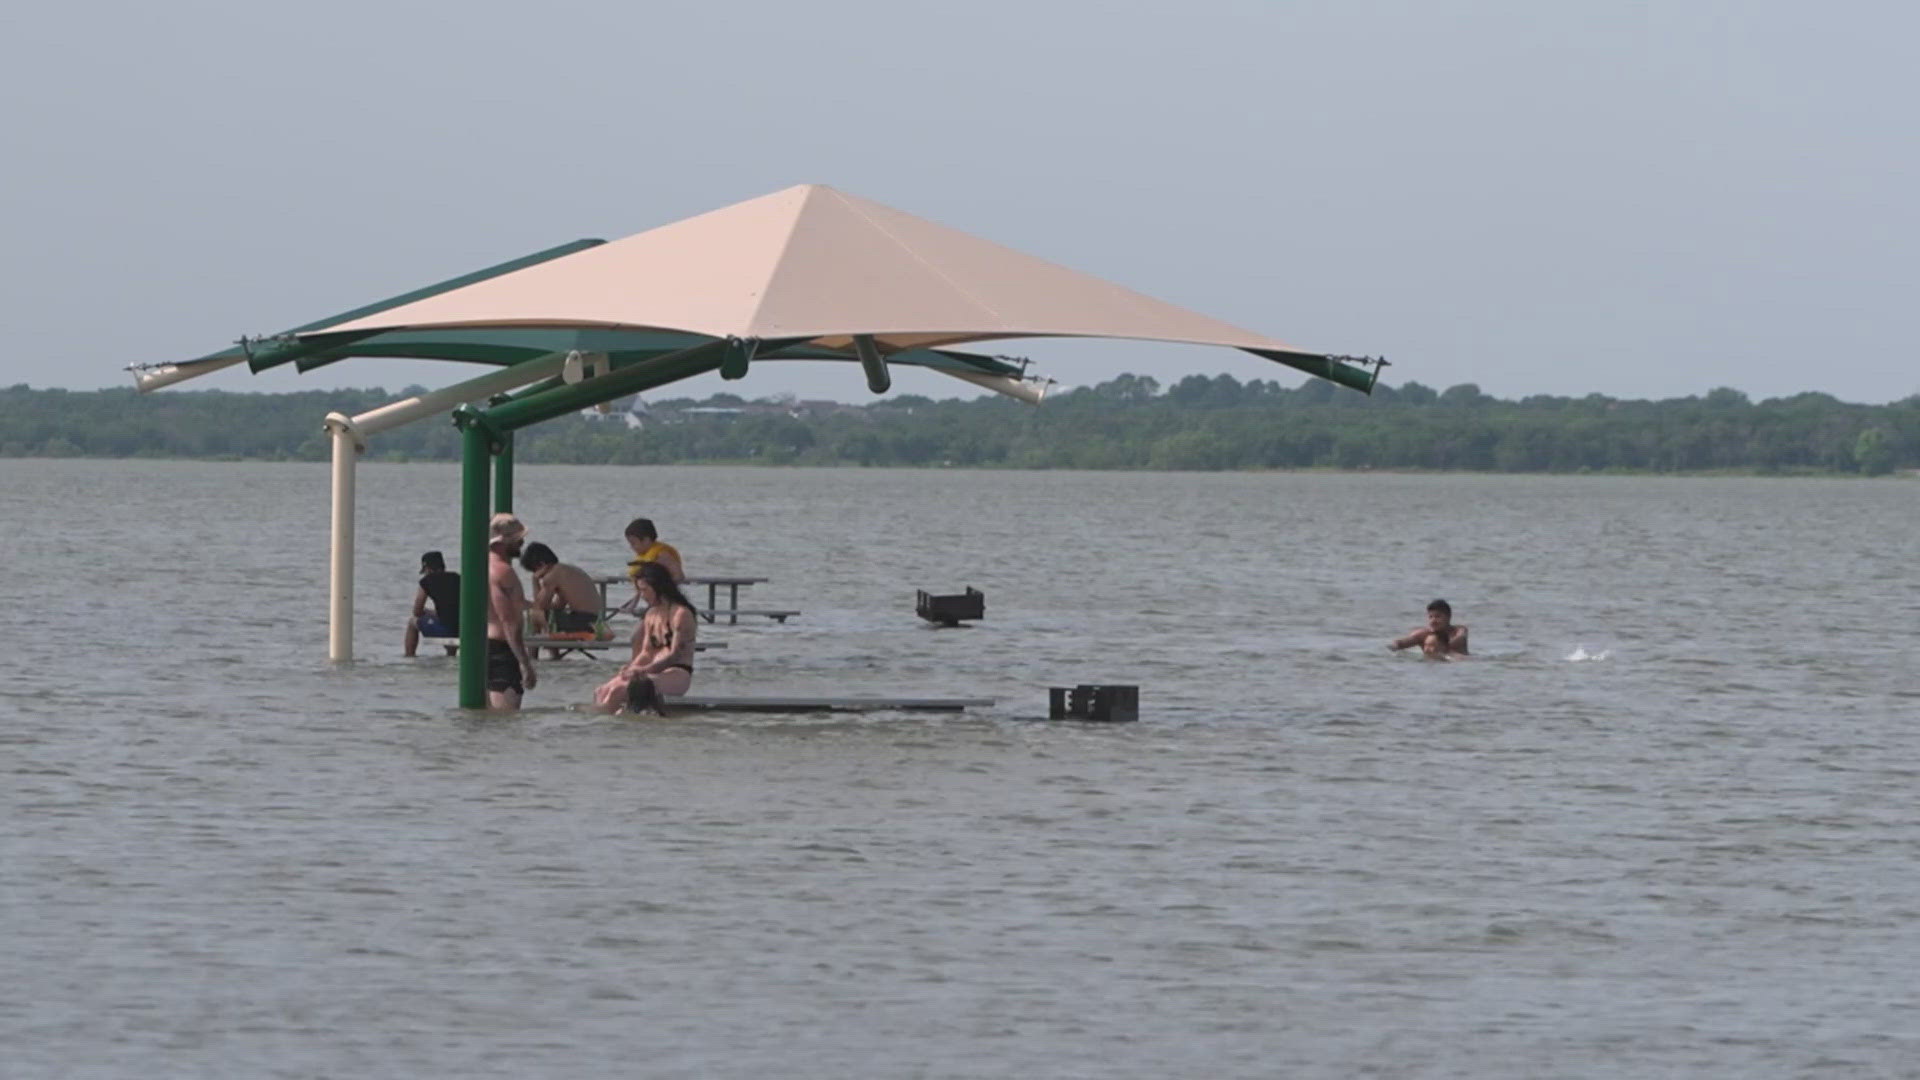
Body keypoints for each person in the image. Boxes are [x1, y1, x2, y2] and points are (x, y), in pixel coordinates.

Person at [593, 561, 697, 716]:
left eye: (645, 590)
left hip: (676, 673)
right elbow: (647, 652)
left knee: (619, 690)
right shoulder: (651, 614)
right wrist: (631, 668)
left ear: (659, 587)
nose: (642, 595)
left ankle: (606, 725)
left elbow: (674, 654)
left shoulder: (680, 614)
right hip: (650, 671)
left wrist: (644, 670)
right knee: (602, 690)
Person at [485, 512, 537, 709]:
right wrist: (524, 662)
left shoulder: (482, 566)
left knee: (488, 718)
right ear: (502, 542)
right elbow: (507, 620)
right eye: (518, 540)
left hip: (485, 646)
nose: (522, 544)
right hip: (501, 649)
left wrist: (536, 607)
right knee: (506, 719)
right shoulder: (502, 571)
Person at [519, 542, 604, 656]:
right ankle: (553, 657)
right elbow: (557, 607)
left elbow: (539, 607)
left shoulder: (552, 575)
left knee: (533, 615)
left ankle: (532, 659)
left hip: (585, 622)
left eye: (534, 571)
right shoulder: (566, 570)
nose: (537, 574)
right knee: (549, 617)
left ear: (541, 564)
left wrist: (535, 581)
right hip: (597, 624)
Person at [614, 517, 686, 615]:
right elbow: (641, 585)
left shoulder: (662, 554)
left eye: (633, 543)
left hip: (665, 603)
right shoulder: (643, 556)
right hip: (652, 603)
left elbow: (679, 576)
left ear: (646, 540)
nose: (631, 547)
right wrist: (633, 604)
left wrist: (664, 593)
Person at [404, 550, 461, 657]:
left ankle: (409, 656)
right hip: (462, 629)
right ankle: (450, 656)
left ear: (427, 569)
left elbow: (417, 611)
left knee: (412, 622)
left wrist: (427, 612)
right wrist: (435, 613)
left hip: (447, 630)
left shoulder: (426, 581)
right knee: (450, 620)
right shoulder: (457, 577)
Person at [1390, 598, 1470, 658]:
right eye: (1430, 617)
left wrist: (1442, 644)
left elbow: (1461, 637)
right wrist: (1396, 645)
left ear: (1448, 617)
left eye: (1438, 616)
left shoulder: (1458, 631)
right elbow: (1400, 643)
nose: (1433, 621)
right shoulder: (1423, 635)